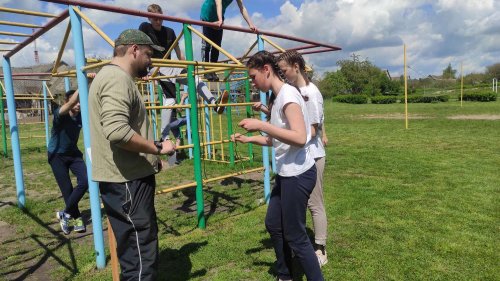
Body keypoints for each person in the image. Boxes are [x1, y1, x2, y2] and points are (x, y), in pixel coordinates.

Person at [88, 29, 176, 280]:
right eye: (148, 54)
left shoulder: (110, 77)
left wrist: (152, 153)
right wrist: (158, 148)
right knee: (140, 253)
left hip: (126, 177)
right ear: (134, 49)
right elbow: (117, 131)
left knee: (135, 249)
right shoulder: (117, 79)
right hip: (126, 181)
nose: (151, 61)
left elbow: (123, 129)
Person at [232, 50, 323, 281]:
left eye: (253, 77)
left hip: (298, 174)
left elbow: (301, 137)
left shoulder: (288, 96)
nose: (252, 82)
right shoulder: (278, 97)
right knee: (274, 224)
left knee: (297, 237)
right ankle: (285, 275)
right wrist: (250, 138)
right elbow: (278, 139)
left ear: (266, 70)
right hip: (285, 174)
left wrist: (261, 125)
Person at [139, 4, 228, 143]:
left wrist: (188, 65)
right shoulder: (145, 27)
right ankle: (164, 137)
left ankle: (214, 104)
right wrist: (143, 71)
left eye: (160, 18)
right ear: (149, 18)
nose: (158, 21)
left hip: (171, 65)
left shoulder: (169, 31)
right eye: (155, 19)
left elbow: (179, 53)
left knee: (196, 79)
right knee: (170, 100)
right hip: (156, 67)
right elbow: (140, 50)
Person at [277, 50, 328, 266]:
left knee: (315, 204)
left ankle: (321, 248)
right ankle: (303, 245)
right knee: (301, 204)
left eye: (284, 70)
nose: (282, 75)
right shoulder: (294, 91)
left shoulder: (312, 92)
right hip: (300, 155)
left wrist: (291, 138)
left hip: (313, 156)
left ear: (296, 66)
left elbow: (312, 130)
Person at [49, 89, 88, 235]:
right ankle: (77, 218)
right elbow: (71, 102)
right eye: (75, 102)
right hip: (56, 156)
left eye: (79, 102)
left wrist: (89, 83)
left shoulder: (81, 117)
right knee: (67, 189)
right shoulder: (61, 114)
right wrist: (82, 80)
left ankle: (65, 213)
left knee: (85, 180)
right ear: (67, 102)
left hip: (73, 154)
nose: (77, 105)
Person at [200, 0, 257, 81]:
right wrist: (220, 20)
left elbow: (242, 8)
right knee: (206, 46)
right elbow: (218, 3)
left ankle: (212, 71)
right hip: (206, 17)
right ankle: (206, 71)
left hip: (219, 17)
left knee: (216, 46)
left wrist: (250, 24)